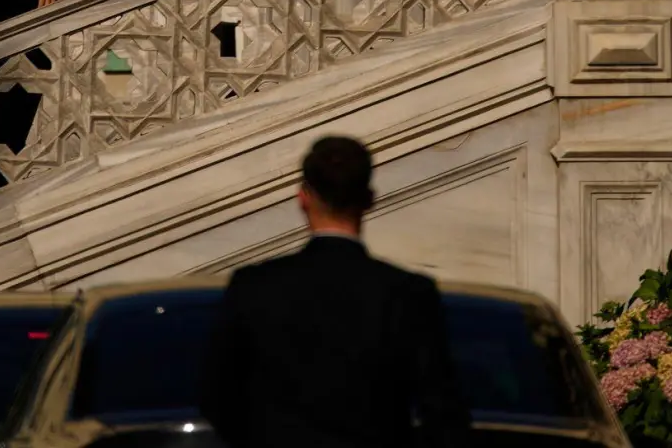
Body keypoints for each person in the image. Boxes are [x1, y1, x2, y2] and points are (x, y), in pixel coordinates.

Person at [198, 136, 470, 448]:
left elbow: (216, 395)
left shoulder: (253, 286)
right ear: (369, 199)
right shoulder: (407, 293)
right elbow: (442, 409)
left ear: (303, 198)